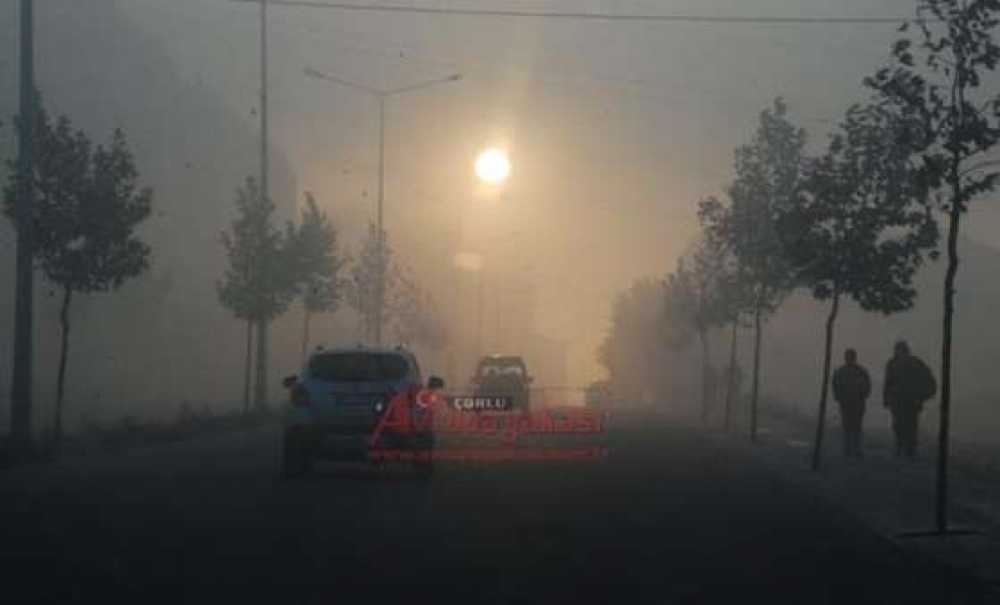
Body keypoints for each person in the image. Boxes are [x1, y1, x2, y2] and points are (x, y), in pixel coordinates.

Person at [883, 340, 937, 459]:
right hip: (907, 401)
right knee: (908, 425)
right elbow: (888, 383)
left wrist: (887, 399)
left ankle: (903, 449)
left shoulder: (893, 363)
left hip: (904, 401)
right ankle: (907, 449)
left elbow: (888, 383)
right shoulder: (913, 362)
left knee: (903, 425)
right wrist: (924, 396)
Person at [831, 348, 871, 458]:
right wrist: (839, 397)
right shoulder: (843, 372)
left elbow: (867, 387)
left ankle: (854, 450)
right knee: (849, 427)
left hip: (856, 403)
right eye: (848, 356)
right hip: (848, 403)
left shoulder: (858, 372)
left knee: (854, 427)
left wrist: (862, 395)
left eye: (850, 356)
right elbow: (835, 386)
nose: (849, 359)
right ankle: (850, 449)